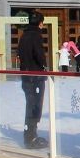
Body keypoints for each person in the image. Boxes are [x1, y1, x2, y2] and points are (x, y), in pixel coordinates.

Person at [18, 12, 49, 149]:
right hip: (35, 76)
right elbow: (39, 54)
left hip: (26, 75)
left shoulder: (24, 35)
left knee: (30, 105)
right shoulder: (36, 35)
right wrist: (43, 65)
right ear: (40, 23)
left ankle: (30, 134)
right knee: (35, 106)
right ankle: (30, 137)